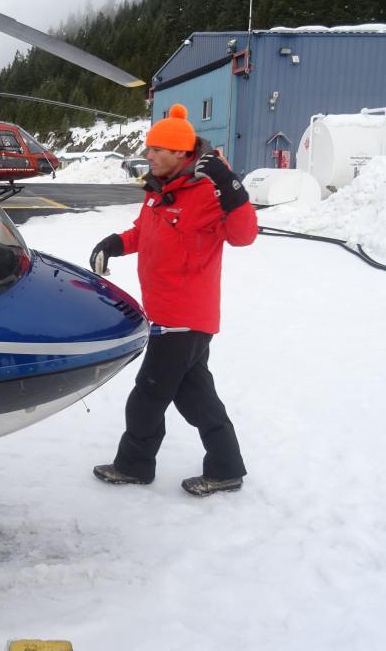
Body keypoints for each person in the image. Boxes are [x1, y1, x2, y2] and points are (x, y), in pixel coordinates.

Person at [88, 103, 257, 497]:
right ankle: (227, 468)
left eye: (156, 150)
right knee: (197, 398)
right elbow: (144, 231)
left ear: (181, 153)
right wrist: (115, 243)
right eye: (149, 149)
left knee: (147, 397)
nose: (148, 156)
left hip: (184, 319)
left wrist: (230, 185)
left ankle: (134, 466)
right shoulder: (160, 191)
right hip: (168, 315)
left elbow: (244, 234)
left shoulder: (207, 191)